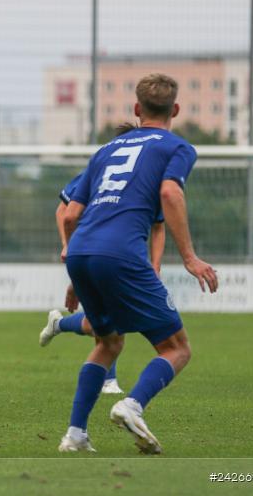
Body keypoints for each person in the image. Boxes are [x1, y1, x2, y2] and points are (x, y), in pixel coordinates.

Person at [57, 73, 218, 454]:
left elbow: (68, 216)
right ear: (175, 109)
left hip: (81, 251)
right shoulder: (177, 147)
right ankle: (131, 405)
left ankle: (75, 436)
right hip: (122, 253)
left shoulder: (105, 151)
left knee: (108, 342)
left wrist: (77, 269)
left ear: (136, 109)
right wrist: (190, 257)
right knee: (176, 348)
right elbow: (169, 192)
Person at [39, 123, 167, 395]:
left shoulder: (148, 182)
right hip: (91, 251)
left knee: (100, 322)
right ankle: (108, 379)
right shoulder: (95, 172)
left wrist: (155, 266)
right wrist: (68, 245)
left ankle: (59, 324)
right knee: (110, 321)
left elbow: (158, 226)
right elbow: (64, 210)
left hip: (122, 255)